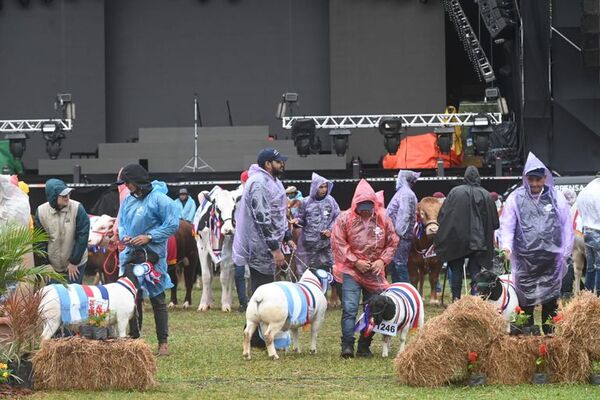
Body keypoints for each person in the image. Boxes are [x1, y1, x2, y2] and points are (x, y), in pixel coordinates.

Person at [499, 153, 572, 333]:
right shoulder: (516, 198)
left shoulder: (556, 198)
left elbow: (566, 226)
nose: (534, 184)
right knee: (526, 302)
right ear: (525, 178)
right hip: (525, 261)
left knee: (550, 301)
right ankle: (527, 336)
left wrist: (565, 251)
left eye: (538, 179)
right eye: (530, 179)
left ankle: (549, 334)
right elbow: (507, 225)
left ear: (544, 178)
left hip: (550, 261)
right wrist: (506, 247)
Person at [116, 164, 179, 356]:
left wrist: (149, 236)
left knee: (157, 298)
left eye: (128, 182)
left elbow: (172, 225)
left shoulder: (161, 200)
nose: (126, 186)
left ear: (137, 182)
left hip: (153, 257)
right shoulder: (128, 200)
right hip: (131, 254)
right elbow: (122, 224)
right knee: (132, 298)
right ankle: (136, 341)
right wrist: (125, 236)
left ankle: (163, 342)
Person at [331, 179, 399, 358]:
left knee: (374, 308)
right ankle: (347, 345)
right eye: (362, 206)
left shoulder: (383, 219)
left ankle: (364, 345)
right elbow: (339, 243)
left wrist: (381, 261)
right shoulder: (344, 219)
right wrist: (355, 261)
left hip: (374, 271)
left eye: (369, 206)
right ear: (355, 204)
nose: (366, 210)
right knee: (350, 308)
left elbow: (392, 242)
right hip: (351, 271)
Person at [434, 166, 499, 301]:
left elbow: (442, 216)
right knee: (476, 269)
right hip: (479, 242)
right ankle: (476, 299)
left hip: (456, 240)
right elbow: (495, 223)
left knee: (456, 268)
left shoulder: (454, 192)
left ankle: (456, 298)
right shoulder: (486, 195)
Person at [232, 148, 289, 293]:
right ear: (268, 164)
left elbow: (277, 212)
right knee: (263, 292)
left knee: (267, 289)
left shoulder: (271, 181)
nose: (282, 164)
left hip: (268, 245)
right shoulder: (259, 183)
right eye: (278, 162)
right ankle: (259, 316)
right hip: (260, 246)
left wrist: (286, 234)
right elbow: (262, 219)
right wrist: (275, 249)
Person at [35, 179, 90, 284]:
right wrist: (45, 264)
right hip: (52, 266)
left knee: (74, 296)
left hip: (75, 263)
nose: (67, 197)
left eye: (68, 193)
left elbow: (82, 236)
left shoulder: (78, 208)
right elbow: (39, 241)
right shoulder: (41, 211)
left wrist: (74, 262)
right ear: (53, 197)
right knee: (55, 296)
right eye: (63, 195)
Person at [386, 170, 420, 283]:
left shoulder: (405, 194)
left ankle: (405, 290)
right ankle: (399, 288)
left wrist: (398, 233)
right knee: (396, 265)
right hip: (399, 236)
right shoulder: (404, 193)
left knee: (399, 265)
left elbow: (404, 214)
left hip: (401, 237)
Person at [577, 173, 600, 294]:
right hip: (598, 231)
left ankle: (587, 295)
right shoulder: (598, 191)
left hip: (587, 231)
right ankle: (598, 298)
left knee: (591, 267)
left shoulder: (585, 190)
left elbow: (579, 210)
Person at [234, 169, 250, 311]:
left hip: (250, 239)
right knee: (240, 272)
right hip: (239, 239)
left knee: (252, 271)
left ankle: (248, 301)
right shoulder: (235, 197)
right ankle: (243, 302)